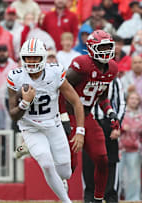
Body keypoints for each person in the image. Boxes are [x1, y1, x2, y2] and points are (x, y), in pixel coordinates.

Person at [7, 38, 85, 203]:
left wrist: (80, 131)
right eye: (28, 57)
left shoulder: (55, 72)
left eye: (35, 58)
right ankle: (66, 201)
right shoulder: (16, 77)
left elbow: (76, 101)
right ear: (22, 58)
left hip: (54, 125)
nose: (31, 61)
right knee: (47, 165)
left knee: (65, 172)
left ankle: (29, 149)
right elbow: (13, 114)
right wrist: (25, 102)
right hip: (30, 128)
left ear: (43, 57)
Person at [64, 30, 120, 202]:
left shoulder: (112, 68)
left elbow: (102, 96)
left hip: (87, 116)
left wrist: (110, 112)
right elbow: (62, 89)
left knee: (102, 158)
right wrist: (62, 116)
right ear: (91, 48)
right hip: (69, 114)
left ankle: (97, 199)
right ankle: (62, 190)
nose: (105, 51)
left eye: (107, 47)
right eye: (101, 47)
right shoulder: (82, 64)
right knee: (70, 165)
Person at [83, 77, 125, 203]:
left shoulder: (115, 80)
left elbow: (121, 103)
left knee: (110, 162)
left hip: (108, 123)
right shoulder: (83, 77)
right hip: (89, 122)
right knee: (88, 163)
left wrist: (117, 125)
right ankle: (90, 197)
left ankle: (110, 197)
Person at [119, 91, 142, 201]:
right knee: (117, 176)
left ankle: (133, 199)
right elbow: (114, 126)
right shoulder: (121, 112)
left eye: (136, 99)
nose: (134, 101)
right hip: (120, 148)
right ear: (127, 100)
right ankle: (114, 198)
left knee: (134, 176)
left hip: (135, 149)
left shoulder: (141, 115)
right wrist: (122, 128)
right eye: (132, 98)